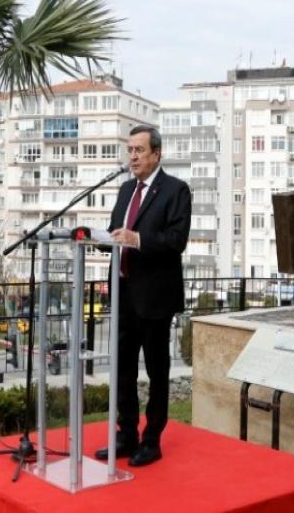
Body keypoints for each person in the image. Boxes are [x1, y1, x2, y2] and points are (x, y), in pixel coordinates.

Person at [95, 125, 191, 467]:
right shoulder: (124, 190)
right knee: (122, 369)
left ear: (156, 154)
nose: (132, 156)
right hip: (122, 295)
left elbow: (176, 240)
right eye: (129, 150)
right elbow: (113, 232)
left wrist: (138, 240)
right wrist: (101, 238)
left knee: (156, 369)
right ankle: (127, 435)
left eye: (139, 150)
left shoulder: (176, 190)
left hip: (154, 297)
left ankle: (152, 440)